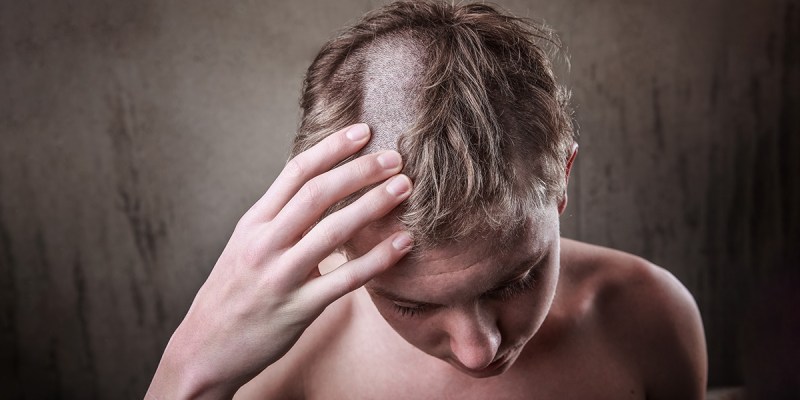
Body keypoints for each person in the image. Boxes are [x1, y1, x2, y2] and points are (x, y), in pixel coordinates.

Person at [146, 1, 707, 398]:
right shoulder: (282, 357)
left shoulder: (648, 317)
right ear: (339, 237)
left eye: (513, 282)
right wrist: (190, 372)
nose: (478, 351)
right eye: (411, 305)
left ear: (561, 180)